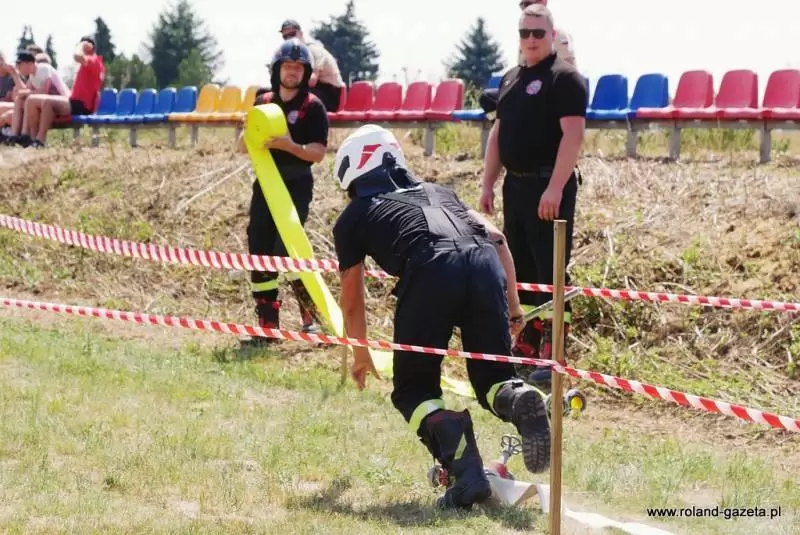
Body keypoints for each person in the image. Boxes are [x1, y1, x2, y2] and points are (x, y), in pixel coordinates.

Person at [332, 124, 552, 510]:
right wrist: (514, 307)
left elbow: (351, 299)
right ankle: (521, 399)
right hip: (484, 263)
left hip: (430, 270)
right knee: (495, 378)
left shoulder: (354, 216)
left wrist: (361, 352)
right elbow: (497, 238)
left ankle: (467, 476)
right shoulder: (440, 192)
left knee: (414, 391)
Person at [479, 4, 587, 389]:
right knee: (520, 269)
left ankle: (554, 350)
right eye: (524, 32)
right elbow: (498, 134)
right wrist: (488, 183)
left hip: (548, 186)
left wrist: (555, 187)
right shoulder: (511, 78)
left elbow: (573, 135)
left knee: (551, 269)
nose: (531, 39)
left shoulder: (565, 78)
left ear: (552, 35)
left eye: (538, 33)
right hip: (516, 186)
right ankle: (528, 341)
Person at [236, 38, 329, 342]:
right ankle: (268, 325)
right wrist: (247, 129)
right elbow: (242, 149)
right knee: (259, 249)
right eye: (287, 67)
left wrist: (290, 146)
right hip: (265, 183)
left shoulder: (313, 106)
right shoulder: (262, 101)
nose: (292, 72)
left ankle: (311, 320)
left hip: (296, 183)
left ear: (306, 73)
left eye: (298, 68)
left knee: (287, 250)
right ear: (277, 70)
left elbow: (318, 153)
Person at [480, 0, 578, 114]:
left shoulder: (557, 34)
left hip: (546, 88)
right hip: (525, 87)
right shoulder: (527, 37)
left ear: (543, 2)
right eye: (522, 5)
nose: (525, 9)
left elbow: (568, 70)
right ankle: (501, 124)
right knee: (488, 98)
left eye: (528, 4)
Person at [6, 36, 104, 148]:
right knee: (32, 100)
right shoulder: (90, 63)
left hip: (82, 105)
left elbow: (77, 56)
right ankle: (30, 139)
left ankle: (40, 140)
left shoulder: (93, 60)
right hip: (74, 102)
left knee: (47, 102)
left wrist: (81, 45)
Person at [278, 19, 345, 112]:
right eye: (285, 36)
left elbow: (312, 80)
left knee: (293, 96)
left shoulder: (313, 50)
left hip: (330, 94)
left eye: (292, 34)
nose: (289, 39)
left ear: (301, 34)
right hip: (315, 90)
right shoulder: (295, 55)